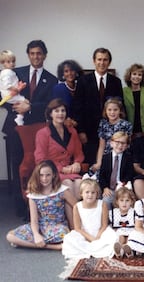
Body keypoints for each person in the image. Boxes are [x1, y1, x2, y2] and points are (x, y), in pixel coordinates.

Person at [2, 40, 57, 217]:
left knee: (36, 167)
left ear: (45, 55)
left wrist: (30, 106)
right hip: (14, 128)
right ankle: (20, 206)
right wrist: (16, 106)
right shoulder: (15, 72)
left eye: (39, 53)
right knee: (18, 166)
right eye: (32, 53)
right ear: (28, 55)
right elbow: (3, 94)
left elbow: (51, 105)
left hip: (37, 130)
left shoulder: (52, 79)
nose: (36, 56)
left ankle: (36, 207)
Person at [6, 160, 77, 250]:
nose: (44, 178)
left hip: (58, 226)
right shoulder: (33, 195)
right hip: (41, 226)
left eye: (48, 175)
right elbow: (34, 220)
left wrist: (76, 228)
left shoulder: (62, 191)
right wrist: (36, 235)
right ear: (37, 176)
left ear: (54, 175)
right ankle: (53, 246)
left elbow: (78, 207)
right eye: (41, 175)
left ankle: (32, 243)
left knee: (64, 233)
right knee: (10, 236)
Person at [72, 47, 123, 165]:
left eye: (105, 60)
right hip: (88, 132)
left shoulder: (116, 82)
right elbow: (77, 107)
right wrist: (81, 131)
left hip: (110, 132)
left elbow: (120, 108)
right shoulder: (83, 81)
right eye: (99, 59)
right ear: (94, 61)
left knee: (107, 164)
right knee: (91, 164)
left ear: (109, 62)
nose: (102, 63)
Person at [34, 98, 84, 212]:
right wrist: (61, 169)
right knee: (67, 186)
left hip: (71, 171)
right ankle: (75, 223)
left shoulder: (72, 131)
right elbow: (40, 159)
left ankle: (76, 221)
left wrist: (77, 162)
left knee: (80, 184)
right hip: (53, 172)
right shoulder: (42, 133)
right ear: (50, 114)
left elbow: (79, 153)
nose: (60, 114)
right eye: (56, 111)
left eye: (63, 111)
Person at [62, 178, 118, 259]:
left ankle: (94, 248)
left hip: (100, 233)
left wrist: (98, 237)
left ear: (97, 194)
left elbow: (104, 225)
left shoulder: (102, 204)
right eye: (87, 192)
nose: (90, 195)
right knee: (69, 239)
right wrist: (90, 238)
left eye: (93, 193)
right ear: (81, 193)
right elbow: (77, 228)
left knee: (112, 237)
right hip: (84, 234)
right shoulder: (77, 206)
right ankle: (95, 249)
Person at [91, 98, 132, 172]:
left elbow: (127, 145)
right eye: (109, 110)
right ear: (105, 111)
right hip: (106, 156)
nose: (112, 112)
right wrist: (99, 162)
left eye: (115, 110)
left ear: (120, 111)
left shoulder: (126, 125)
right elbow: (101, 146)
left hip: (120, 156)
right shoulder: (103, 124)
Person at [99, 131, 134, 207]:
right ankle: (108, 219)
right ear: (111, 143)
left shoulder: (128, 158)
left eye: (123, 143)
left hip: (123, 188)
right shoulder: (106, 158)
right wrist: (105, 188)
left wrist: (123, 184)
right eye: (117, 142)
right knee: (106, 201)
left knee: (125, 201)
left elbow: (130, 174)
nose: (120, 145)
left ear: (127, 146)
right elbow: (102, 175)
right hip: (109, 189)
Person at [123, 63, 144, 138]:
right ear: (130, 76)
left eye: (140, 75)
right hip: (129, 128)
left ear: (142, 77)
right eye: (134, 74)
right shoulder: (123, 91)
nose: (137, 77)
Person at [0, 50, 26, 125]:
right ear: (3, 63)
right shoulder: (6, 73)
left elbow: (13, 82)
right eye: (8, 62)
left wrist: (19, 85)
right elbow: (7, 85)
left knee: (23, 103)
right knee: (26, 102)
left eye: (13, 61)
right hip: (10, 95)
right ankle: (19, 118)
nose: (12, 63)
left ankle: (20, 117)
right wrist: (16, 89)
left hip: (12, 94)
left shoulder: (11, 72)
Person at [110, 186, 136, 258]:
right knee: (121, 237)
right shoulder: (114, 212)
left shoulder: (133, 211)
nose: (124, 203)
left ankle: (129, 252)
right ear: (117, 202)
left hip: (131, 230)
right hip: (120, 230)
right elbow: (112, 225)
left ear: (131, 202)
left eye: (127, 200)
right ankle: (119, 252)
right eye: (121, 200)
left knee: (129, 238)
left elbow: (137, 224)